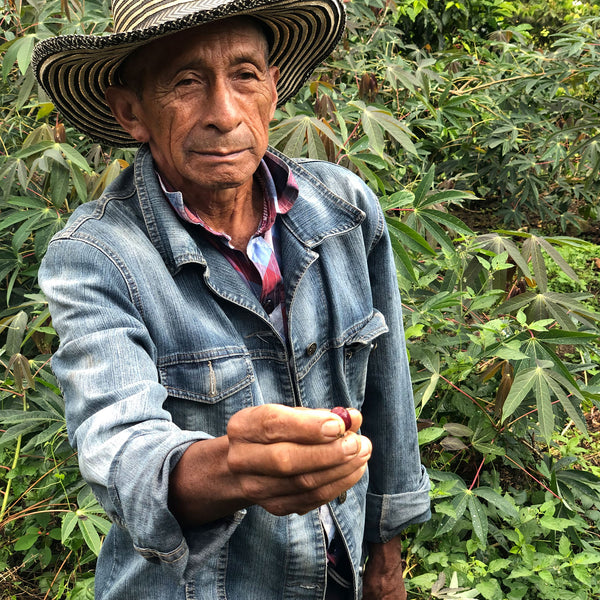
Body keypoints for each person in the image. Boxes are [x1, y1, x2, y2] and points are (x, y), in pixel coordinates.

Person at [32, 0, 430, 598]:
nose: (224, 113)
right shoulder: (96, 255)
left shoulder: (344, 210)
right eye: (186, 82)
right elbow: (122, 450)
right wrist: (233, 467)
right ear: (131, 111)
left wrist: (386, 561)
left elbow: (388, 401)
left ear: (272, 89)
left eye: (244, 75)